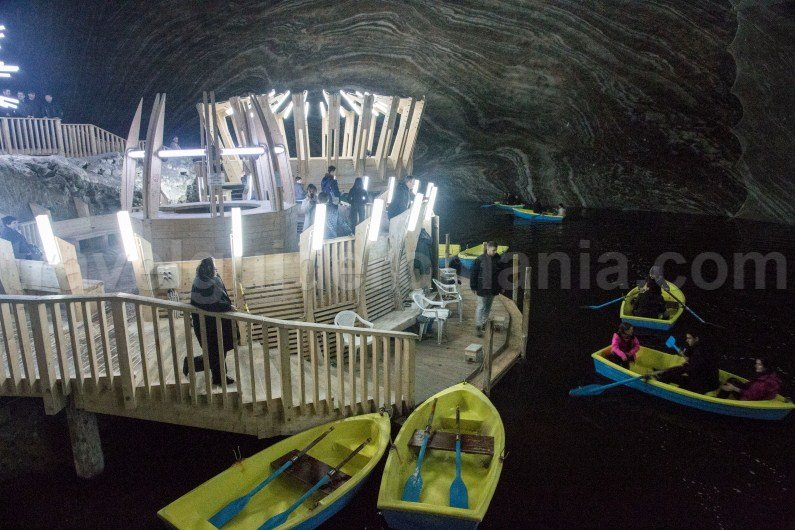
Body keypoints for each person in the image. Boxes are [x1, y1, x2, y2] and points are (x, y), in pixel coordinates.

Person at [183, 257, 236, 386]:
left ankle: (218, 377)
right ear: (208, 268)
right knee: (214, 353)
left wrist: (227, 306)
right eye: (214, 265)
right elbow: (209, 304)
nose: (216, 268)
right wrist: (228, 307)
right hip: (207, 325)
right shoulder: (201, 282)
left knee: (219, 351)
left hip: (215, 323)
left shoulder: (211, 279)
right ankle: (190, 364)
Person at [653, 331, 720, 394]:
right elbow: (688, 357)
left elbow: (686, 368)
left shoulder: (700, 353)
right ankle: (661, 378)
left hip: (706, 383)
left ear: (696, 339)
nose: (686, 340)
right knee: (670, 375)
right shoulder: (698, 346)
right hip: (699, 377)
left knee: (680, 388)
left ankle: (658, 383)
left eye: (689, 338)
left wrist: (664, 371)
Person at [470, 241, 504, 337]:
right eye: (493, 250)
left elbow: (501, 275)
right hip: (482, 287)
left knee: (488, 307)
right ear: (488, 249)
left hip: (493, 288)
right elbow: (474, 274)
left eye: (495, 250)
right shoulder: (479, 259)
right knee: (481, 306)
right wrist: (473, 286)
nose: (494, 252)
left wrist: (501, 287)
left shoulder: (498, 259)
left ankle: (484, 323)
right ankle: (478, 326)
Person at [718, 358, 783, 401]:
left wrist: (734, 388)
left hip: (750, 400)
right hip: (755, 394)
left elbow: (750, 395)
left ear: (766, 367)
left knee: (730, 385)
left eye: (759, 364)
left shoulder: (763, 383)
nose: (755, 366)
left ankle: (719, 400)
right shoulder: (768, 375)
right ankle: (724, 391)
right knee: (732, 380)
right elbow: (750, 385)